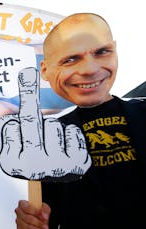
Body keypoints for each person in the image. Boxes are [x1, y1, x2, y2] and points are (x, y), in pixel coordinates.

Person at [14, 13, 146, 229]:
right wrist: (31, 222)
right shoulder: (45, 142)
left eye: (102, 52)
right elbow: (44, 216)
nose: (90, 70)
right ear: (45, 71)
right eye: (71, 59)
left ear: (115, 51)